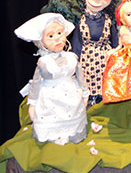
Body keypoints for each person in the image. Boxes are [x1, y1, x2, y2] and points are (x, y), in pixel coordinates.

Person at [15, 13, 89, 145]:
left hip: (72, 95)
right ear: (41, 41)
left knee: (73, 119)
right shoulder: (44, 62)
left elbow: (80, 76)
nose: (57, 38)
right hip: (50, 98)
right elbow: (36, 83)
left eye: (60, 33)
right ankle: (53, 135)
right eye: (50, 36)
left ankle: (72, 134)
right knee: (52, 118)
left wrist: (85, 92)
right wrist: (32, 103)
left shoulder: (72, 57)